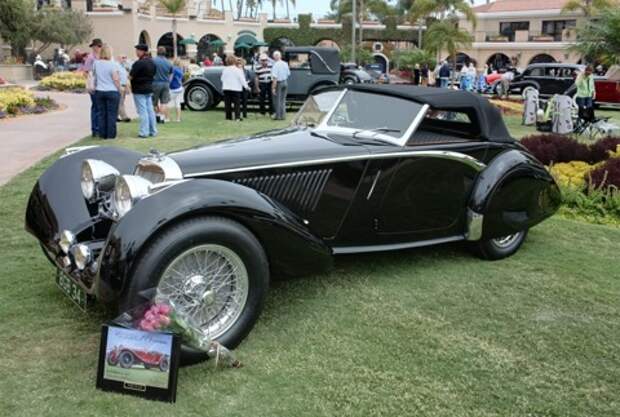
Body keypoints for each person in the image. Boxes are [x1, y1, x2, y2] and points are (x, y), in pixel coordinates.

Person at [93, 45, 121, 139]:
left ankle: (102, 134)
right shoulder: (113, 64)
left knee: (102, 114)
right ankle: (111, 135)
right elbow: (116, 79)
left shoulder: (96, 64)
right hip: (112, 90)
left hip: (100, 90)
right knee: (112, 114)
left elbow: (94, 77)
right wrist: (119, 89)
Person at [130, 43, 157, 138]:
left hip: (139, 89)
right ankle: (153, 130)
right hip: (149, 88)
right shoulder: (152, 62)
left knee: (143, 111)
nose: (136, 52)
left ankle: (144, 132)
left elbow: (131, 76)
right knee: (150, 110)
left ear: (142, 51)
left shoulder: (138, 63)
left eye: (137, 50)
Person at [82, 38, 103, 137]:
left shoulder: (103, 56)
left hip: (102, 85)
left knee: (99, 107)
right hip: (94, 85)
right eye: (95, 47)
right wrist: (90, 81)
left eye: (97, 46)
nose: (96, 48)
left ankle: (99, 127)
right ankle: (95, 129)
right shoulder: (91, 58)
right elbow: (85, 72)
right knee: (96, 107)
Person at [221, 54, 248, 121]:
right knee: (237, 103)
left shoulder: (225, 70)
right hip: (236, 88)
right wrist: (246, 86)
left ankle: (228, 117)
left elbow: (222, 79)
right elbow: (242, 79)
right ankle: (237, 117)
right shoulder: (238, 70)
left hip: (226, 88)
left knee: (227, 104)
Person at [152, 46, 173, 123]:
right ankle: (162, 117)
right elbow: (171, 74)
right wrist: (168, 81)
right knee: (164, 102)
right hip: (165, 83)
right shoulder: (168, 62)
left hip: (155, 83)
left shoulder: (153, 61)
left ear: (157, 52)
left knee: (154, 102)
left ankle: (157, 115)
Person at [271, 50, 290, 120]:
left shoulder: (275, 65)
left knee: (277, 100)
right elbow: (288, 74)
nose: (273, 58)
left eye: (274, 56)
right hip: (285, 82)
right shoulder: (285, 63)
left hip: (278, 83)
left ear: (275, 57)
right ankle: (283, 115)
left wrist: (273, 88)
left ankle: (278, 116)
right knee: (283, 100)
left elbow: (275, 77)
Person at [168, 58, 184, 123]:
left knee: (167, 103)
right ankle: (178, 119)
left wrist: (167, 84)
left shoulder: (173, 69)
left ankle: (167, 118)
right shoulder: (181, 69)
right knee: (178, 103)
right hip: (179, 88)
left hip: (173, 88)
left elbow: (170, 79)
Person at [116, 55, 131, 122]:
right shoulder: (116, 65)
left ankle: (116, 116)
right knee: (120, 102)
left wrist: (127, 86)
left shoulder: (124, 66)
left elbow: (126, 77)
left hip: (124, 85)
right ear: (118, 58)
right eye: (123, 58)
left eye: (125, 57)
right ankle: (124, 116)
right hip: (119, 85)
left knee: (120, 101)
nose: (124, 59)